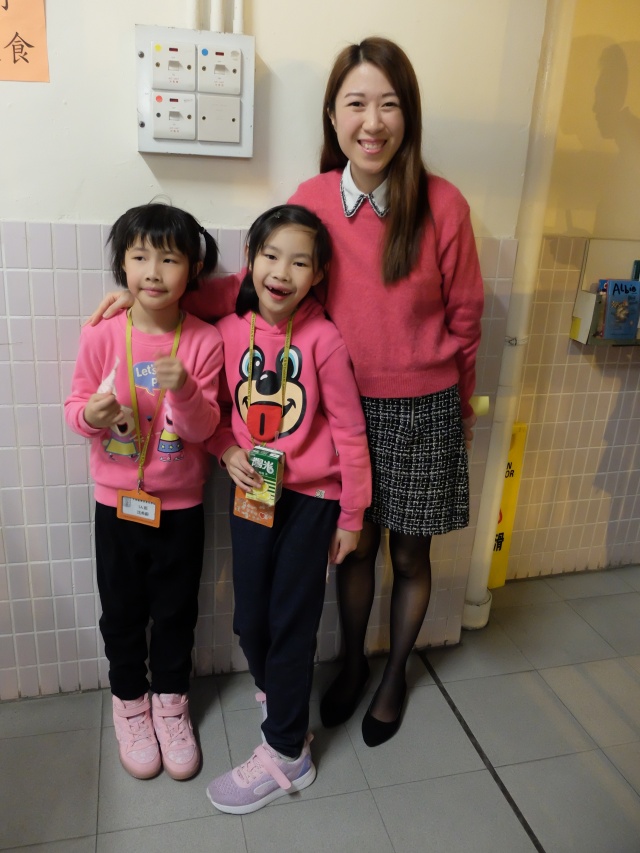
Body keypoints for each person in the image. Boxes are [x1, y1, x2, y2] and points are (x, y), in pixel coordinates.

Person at [89, 37, 484, 749]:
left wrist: (459, 411)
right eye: (356, 103)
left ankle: (395, 674)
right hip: (332, 408)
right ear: (333, 115)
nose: (372, 122)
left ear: (409, 115)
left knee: (410, 556)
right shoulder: (312, 198)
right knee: (354, 553)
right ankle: (353, 665)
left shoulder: (443, 204)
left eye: (389, 104)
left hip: (422, 409)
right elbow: (249, 286)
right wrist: (155, 297)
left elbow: (465, 320)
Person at [205, 204, 371, 814]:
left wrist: (352, 516)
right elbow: (215, 413)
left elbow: (350, 431)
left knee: (291, 620)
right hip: (253, 489)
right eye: (271, 256)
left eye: (300, 262)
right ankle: (280, 695)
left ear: (318, 274)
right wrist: (226, 450)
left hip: (313, 500)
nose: (281, 272)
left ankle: (288, 751)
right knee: (250, 619)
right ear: (250, 259)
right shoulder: (228, 329)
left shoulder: (324, 339)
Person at [65, 203, 224, 780]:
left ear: (192, 270)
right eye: (139, 257)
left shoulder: (203, 341)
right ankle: (130, 703)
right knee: (122, 612)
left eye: (169, 259)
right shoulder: (103, 335)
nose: (153, 271)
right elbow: (74, 409)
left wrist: (185, 392)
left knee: (176, 612)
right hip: (116, 505)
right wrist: (92, 414)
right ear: (122, 266)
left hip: (180, 507)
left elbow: (206, 429)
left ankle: (171, 705)